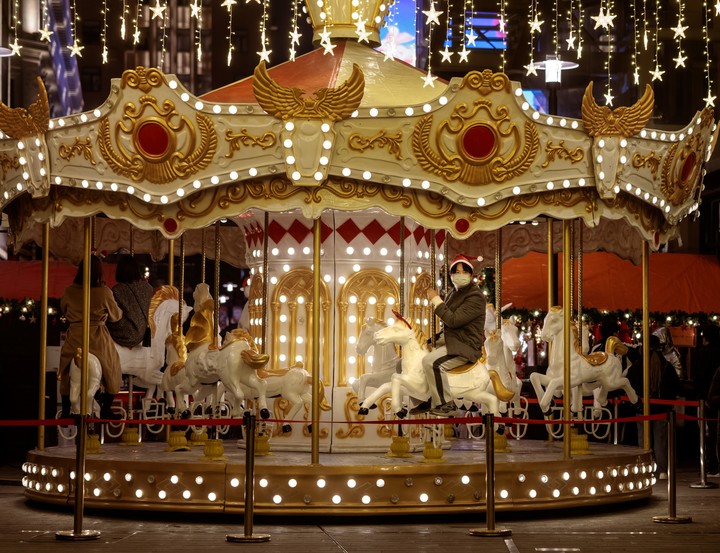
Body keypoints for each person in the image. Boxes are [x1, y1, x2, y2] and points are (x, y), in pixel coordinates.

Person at [416, 254, 486, 416]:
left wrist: (436, 300)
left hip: (464, 346)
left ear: (470, 274)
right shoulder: (452, 294)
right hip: (450, 341)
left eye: (464, 272)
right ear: (451, 275)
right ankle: (425, 399)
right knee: (413, 359)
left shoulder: (475, 297)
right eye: (456, 272)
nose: (460, 275)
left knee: (430, 362)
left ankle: (445, 404)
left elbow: (453, 321)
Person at [58, 255, 123, 419]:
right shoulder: (104, 292)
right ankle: (107, 407)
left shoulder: (69, 291)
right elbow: (116, 316)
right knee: (112, 365)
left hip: (75, 336)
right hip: (97, 336)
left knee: (65, 367)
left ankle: (66, 409)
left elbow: (64, 309)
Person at [628, 333, 681, 480]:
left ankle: (644, 468)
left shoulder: (638, 366)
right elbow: (676, 387)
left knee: (643, 440)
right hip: (662, 409)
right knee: (661, 441)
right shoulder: (666, 366)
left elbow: (629, 384)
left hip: (642, 408)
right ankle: (662, 470)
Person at [106, 255, 154, 348]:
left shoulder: (118, 290)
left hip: (127, 333)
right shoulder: (148, 287)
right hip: (142, 331)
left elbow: (114, 313)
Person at [693, 323, 720, 477]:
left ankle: (712, 465)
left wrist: (701, 396)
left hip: (707, 399)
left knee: (708, 433)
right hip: (715, 397)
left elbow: (698, 377)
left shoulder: (702, 354)